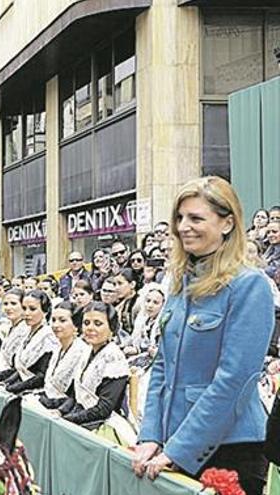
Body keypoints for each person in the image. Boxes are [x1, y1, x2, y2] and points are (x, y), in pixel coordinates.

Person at [133, 177, 274, 495]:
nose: (184, 227)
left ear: (227, 223)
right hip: (173, 443)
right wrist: (150, 436)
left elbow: (234, 381)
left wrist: (179, 449)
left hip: (229, 450)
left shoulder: (250, 286)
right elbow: (161, 366)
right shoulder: (181, 283)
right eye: (180, 218)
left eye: (196, 218)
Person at [53, 303, 131, 435]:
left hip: (103, 425)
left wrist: (68, 419)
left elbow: (103, 409)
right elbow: (76, 394)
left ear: (111, 328)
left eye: (98, 324)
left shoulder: (114, 357)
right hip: (81, 415)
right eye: (87, 323)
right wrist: (60, 411)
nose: (90, 328)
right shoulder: (87, 351)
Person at [0, 290, 59, 394]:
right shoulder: (27, 334)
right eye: (24, 308)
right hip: (21, 386)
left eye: (32, 309)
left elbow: (40, 376)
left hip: (37, 392)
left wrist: (12, 388)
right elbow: (20, 369)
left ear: (45, 311)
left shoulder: (48, 337)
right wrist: (6, 383)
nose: (27, 313)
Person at [37, 301, 90, 408]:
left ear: (76, 325)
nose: (56, 325)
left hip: (67, 408)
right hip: (48, 400)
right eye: (53, 320)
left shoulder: (82, 352)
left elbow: (76, 395)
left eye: (62, 320)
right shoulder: (57, 348)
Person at [0, 289, 27, 381]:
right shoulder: (10, 327)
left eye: (13, 304)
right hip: (4, 376)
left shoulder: (25, 330)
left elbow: (18, 368)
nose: (8, 307)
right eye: (6, 304)